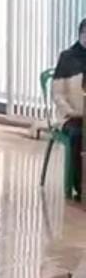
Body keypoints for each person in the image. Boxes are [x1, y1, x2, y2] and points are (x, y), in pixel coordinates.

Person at [53, 18, 86, 199]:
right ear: (80, 34)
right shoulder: (67, 57)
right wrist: (71, 111)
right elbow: (57, 94)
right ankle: (80, 185)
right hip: (71, 116)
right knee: (78, 135)